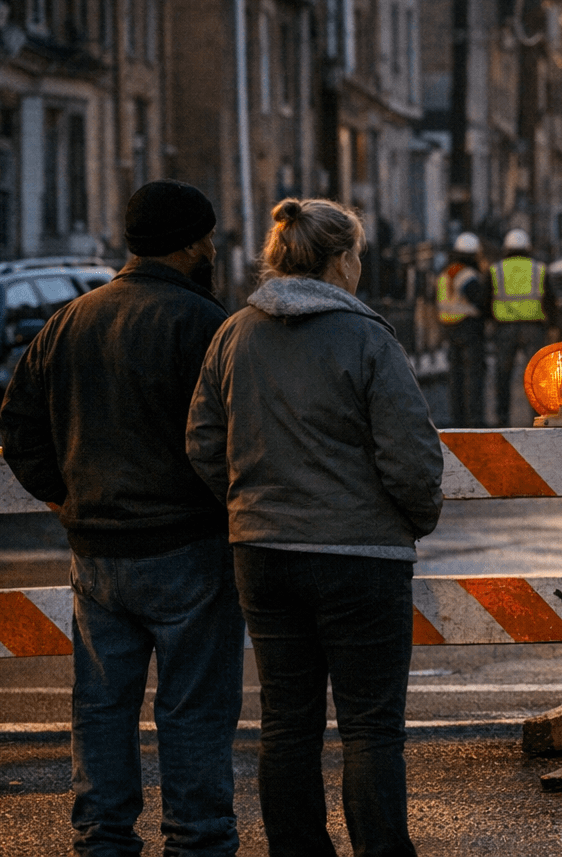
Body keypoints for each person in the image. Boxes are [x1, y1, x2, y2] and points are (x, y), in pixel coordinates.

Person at [186, 198, 443, 857]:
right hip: (362, 556)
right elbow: (410, 454)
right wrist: (413, 519)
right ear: (338, 259)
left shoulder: (235, 334)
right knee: (370, 726)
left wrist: (248, 505)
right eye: (355, 254)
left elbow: (203, 442)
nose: (358, 266)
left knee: (288, 721)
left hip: (263, 553)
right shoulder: (366, 337)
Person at [0, 180, 243, 857]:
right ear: (194, 242)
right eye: (209, 238)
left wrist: (65, 498)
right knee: (193, 706)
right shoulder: (204, 325)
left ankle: (103, 837)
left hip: (97, 552)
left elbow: (19, 427)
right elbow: (234, 437)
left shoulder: (69, 321)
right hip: (188, 546)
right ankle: (196, 839)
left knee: (102, 705)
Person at [488, 227, 555, 427]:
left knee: (503, 374)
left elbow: (486, 299)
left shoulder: (496, 269)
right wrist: (553, 325)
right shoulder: (539, 268)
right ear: (528, 248)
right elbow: (550, 299)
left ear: (506, 248)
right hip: (533, 328)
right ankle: (539, 417)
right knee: (536, 376)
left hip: (504, 328)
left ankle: (502, 418)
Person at [437, 232, 490, 427]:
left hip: (450, 329)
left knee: (456, 378)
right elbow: (480, 299)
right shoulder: (465, 274)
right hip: (468, 328)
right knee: (473, 377)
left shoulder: (446, 272)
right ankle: (474, 422)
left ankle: (457, 421)